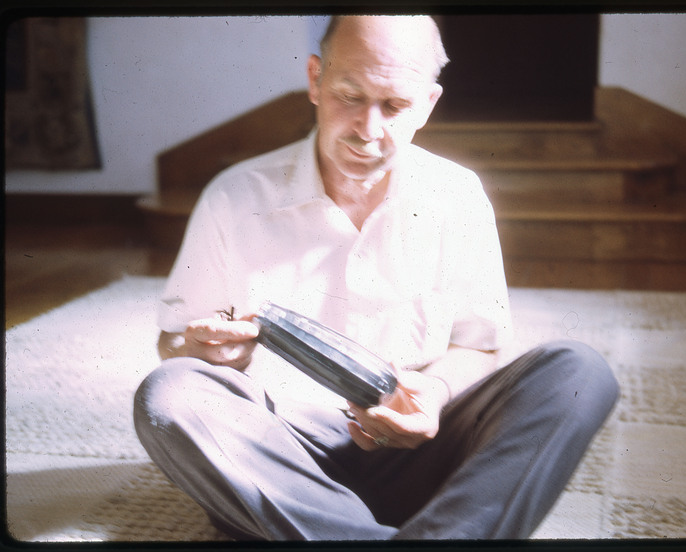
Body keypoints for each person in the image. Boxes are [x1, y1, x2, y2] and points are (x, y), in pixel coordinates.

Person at [134, 15, 619, 540]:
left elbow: (480, 346)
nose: (368, 130)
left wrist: (433, 392)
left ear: (428, 105)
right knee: (170, 393)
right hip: (283, 457)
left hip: (423, 452)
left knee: (578, 372)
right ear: (315, 80)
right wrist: (208, 351)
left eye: (394, 106)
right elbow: (176, 340)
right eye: (350, 95)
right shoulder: (235, 196)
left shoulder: (456, 196)